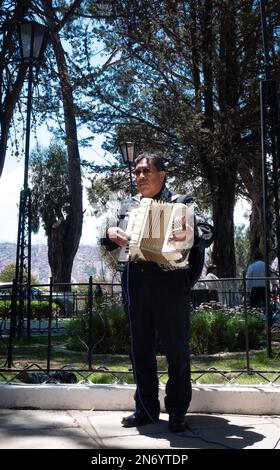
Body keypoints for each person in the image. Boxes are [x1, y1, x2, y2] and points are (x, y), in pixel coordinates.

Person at [102, 153, 214, 432]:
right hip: (136, 282)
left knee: (177, 351)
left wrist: (190, 232)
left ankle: (176, 412)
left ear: (162, 175)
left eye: (146, 171)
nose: (139, 177)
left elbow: (208, 231)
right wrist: (110, 232)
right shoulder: (129, 205)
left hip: (171, 283)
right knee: (139, 351)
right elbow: (111, 242)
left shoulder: (182, 202)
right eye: (137, 172)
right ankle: (145, 409)